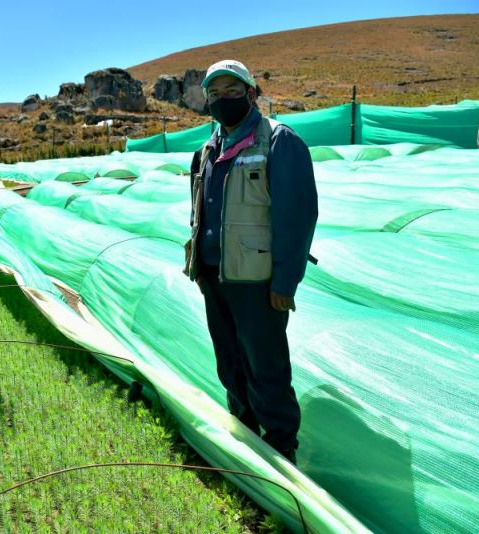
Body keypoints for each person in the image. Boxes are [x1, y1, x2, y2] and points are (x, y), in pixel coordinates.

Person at [184, 60, 318, 464]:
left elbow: (297, 216)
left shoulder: (279, 142)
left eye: (232, 91)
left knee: (266, 367)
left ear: (252, 93)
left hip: (257, 282)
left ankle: (281, 448)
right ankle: (244, 437)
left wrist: (284, 281)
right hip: (215, 278)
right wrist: (198, 265)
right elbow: (200, 210)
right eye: (214, 94)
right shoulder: (208, 149)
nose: (223, 100)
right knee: (230, 362)